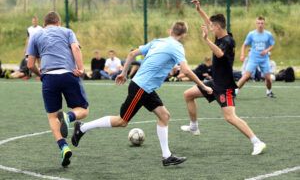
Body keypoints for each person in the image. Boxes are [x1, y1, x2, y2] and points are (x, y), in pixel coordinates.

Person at [71, 21, 213, 166]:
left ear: (170, 32)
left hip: (146, 88)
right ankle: (82, 127)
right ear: (184, 35)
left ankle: (167, 156)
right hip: (141, 88)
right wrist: (203, 86)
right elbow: (186, 71)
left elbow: (132, 53)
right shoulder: (177, 47)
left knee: (164, 116)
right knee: (122, 121)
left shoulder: (158, 41)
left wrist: (123, 73)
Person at [181, 0, 266, 156]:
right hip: (215, 83)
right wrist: (199, 10)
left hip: (225, 87)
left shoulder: (228, 41)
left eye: (212, 27)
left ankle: (257, 142)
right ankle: (194, 126)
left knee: (230, 117)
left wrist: (206, 39)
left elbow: (219, 54)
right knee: (188, 94)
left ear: (218, 27)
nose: (210, 28)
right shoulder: (220, 36)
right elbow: (209, 22)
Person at [26, 11, 89, 167]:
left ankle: (63, 147)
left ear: (45, 24)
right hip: (68, 74)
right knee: (83, 109)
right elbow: (76, 48)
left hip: (49, 77)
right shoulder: (67, 31)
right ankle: (68, 117)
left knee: (52, 117)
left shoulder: (36, 35)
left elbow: (30, 65)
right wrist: (80, 68)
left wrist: (41, 75)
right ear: (58, 23)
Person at [237, 16, 276, 98]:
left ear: (264, 24)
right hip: (253, 58)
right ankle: (234, 92)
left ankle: (269, 92)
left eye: (262, 23)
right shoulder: (251, 34)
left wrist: (266, 50)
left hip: (264, 59)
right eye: (258, 23)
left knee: (268, 78)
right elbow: (244, 45)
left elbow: (272, 44)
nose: (260, 25)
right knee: (246, 76)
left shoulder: (268, 34)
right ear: (256, 24)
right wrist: (242, 55)